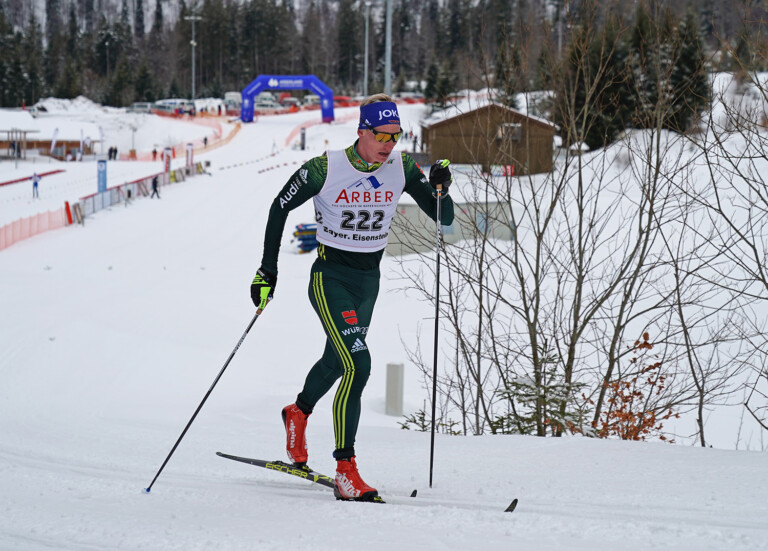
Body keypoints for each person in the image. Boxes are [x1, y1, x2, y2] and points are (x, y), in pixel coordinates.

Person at [250, 93, 454, 502]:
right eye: (381, 135)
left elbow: (443, 218)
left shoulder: (402, 167)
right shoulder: (325, 168)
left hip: (367, 283)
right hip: (330, 279)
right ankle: (345, 469)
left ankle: (297, 412)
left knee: (336, 360)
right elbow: (279, 207)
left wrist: (440, 189)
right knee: (358, 364)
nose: (388, 144)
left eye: (395, 136)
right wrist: (267, 270)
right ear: (362, 131)